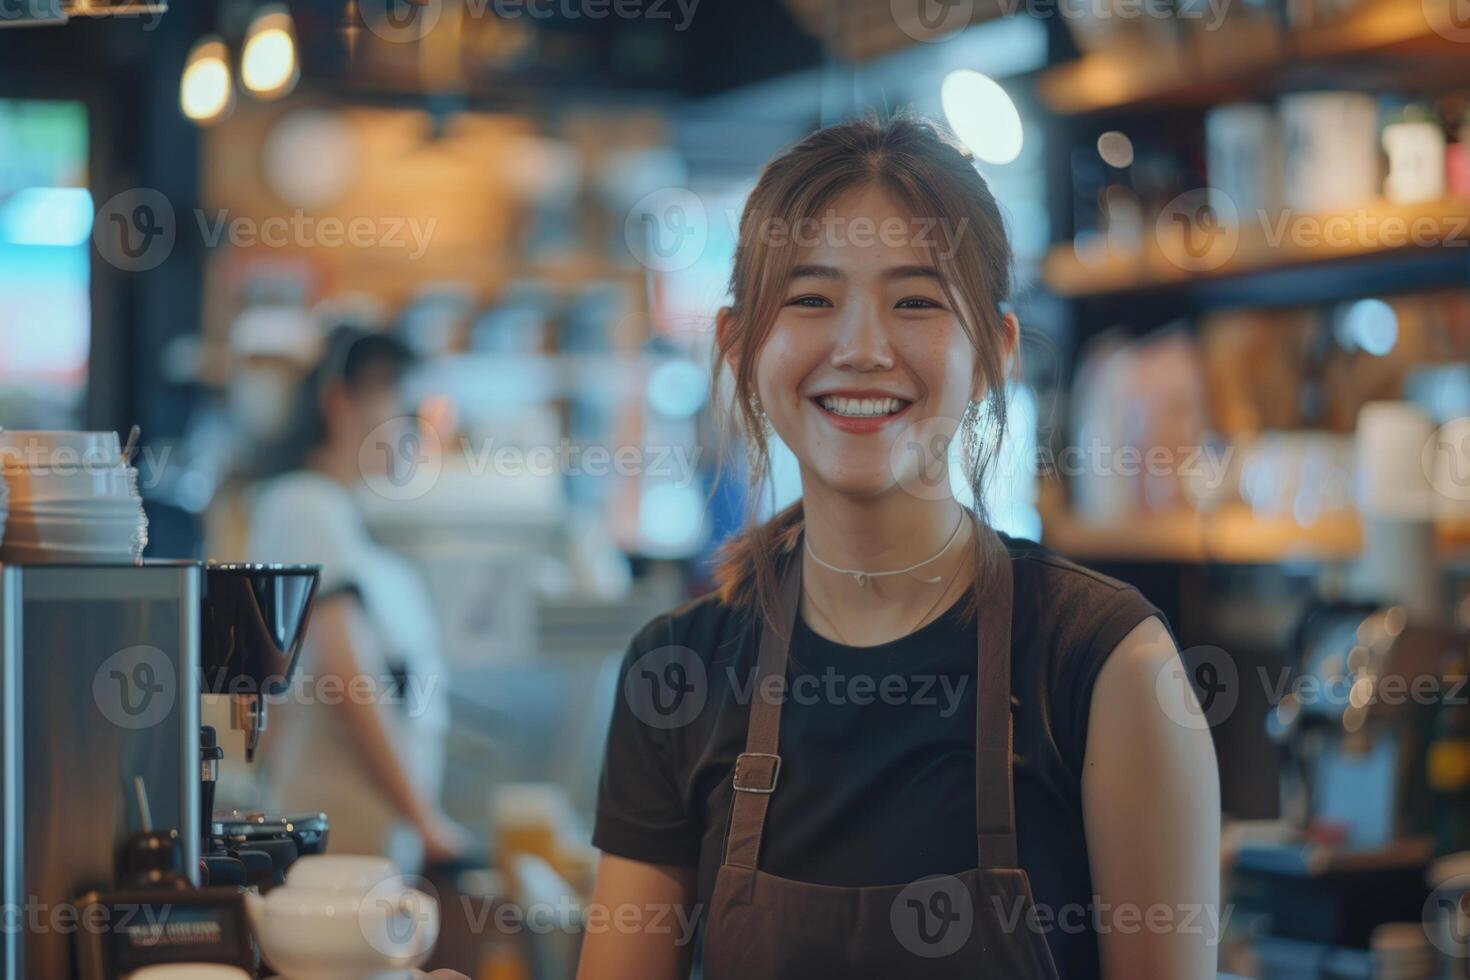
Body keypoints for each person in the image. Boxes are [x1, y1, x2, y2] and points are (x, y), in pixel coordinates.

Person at [577, 114, 1221, 979]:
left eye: (916, 300)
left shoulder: (1107, 664)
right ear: (737, 345)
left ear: (995, 352)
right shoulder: (677, 674)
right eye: (811, 299)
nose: (863, 350)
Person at [244, 323, 475, 871]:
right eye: (398, 405)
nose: (410, 429)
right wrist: (428, 823)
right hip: (340, 850)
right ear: (337, 403)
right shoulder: (305, 504)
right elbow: (346, 677)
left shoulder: (341, 519)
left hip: (364, 847)